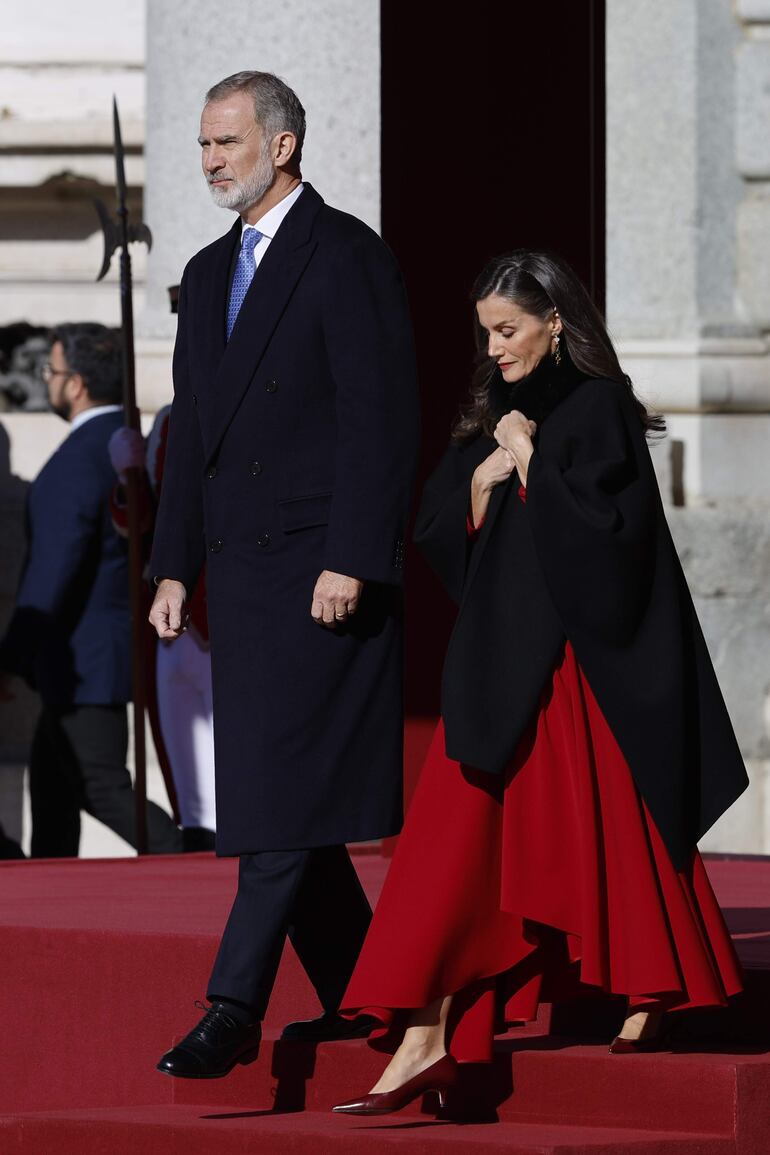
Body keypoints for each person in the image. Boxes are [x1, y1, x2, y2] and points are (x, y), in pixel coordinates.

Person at [333, 251, 748, 1116]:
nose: (496, 349)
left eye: (509, 329)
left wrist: (530, 460)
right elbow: (443, 522)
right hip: (500, 658)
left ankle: (648, 984)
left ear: (556, 321)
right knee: (458, 838)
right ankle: (432, 1026)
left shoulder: (598, 408)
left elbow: (614, 538)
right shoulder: (495, 408)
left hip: (573, 663)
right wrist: (486, 477)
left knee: (610, 821)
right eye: (487, 332)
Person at [148, 71, 420, 1079]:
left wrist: (353, 553)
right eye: (204, 145)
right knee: (283, 795)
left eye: (226, 142)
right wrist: (172, 567)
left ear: (283, 144)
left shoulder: (346, 256)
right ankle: (371, 996)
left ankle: (233, 1006)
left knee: (275, 798)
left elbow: (379, 423)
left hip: (322, 575)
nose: (212, 161)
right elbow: (195, 440)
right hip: (240, 578)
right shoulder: (208, 272)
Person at [0, 323, 182, 857]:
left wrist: (11, 657)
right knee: (53, 789)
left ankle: (191, 860)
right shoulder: (115, 447)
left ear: (75, 384)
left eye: (49, 372)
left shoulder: (78, 461)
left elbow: (52, 572)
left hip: (84, 659)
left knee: (101, 786)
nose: (47, 383)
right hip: (85, 656)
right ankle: (48, 896)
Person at [109, 406, 216, 852]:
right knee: (189, 778)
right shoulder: (170, 419)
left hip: (224, 600)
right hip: (171, 610)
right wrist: (127, 476)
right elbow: (138, 522)